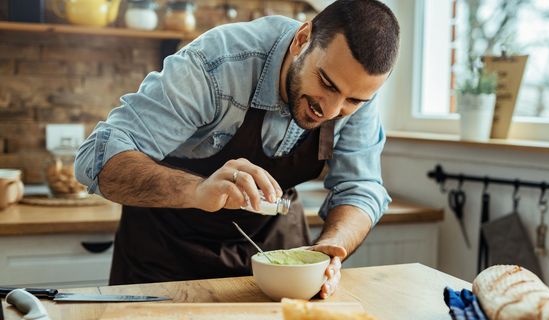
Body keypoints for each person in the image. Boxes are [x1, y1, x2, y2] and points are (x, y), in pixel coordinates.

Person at [74, 0, 400, 299]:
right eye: (327, 85)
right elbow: (96, 158)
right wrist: (197, 189)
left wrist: (332, 247)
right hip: (165, 256)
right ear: (303, 40)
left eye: (353, 101)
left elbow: (360, 188)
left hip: (273, 256)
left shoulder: (355, 87)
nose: (331, 111)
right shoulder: (218, 63)